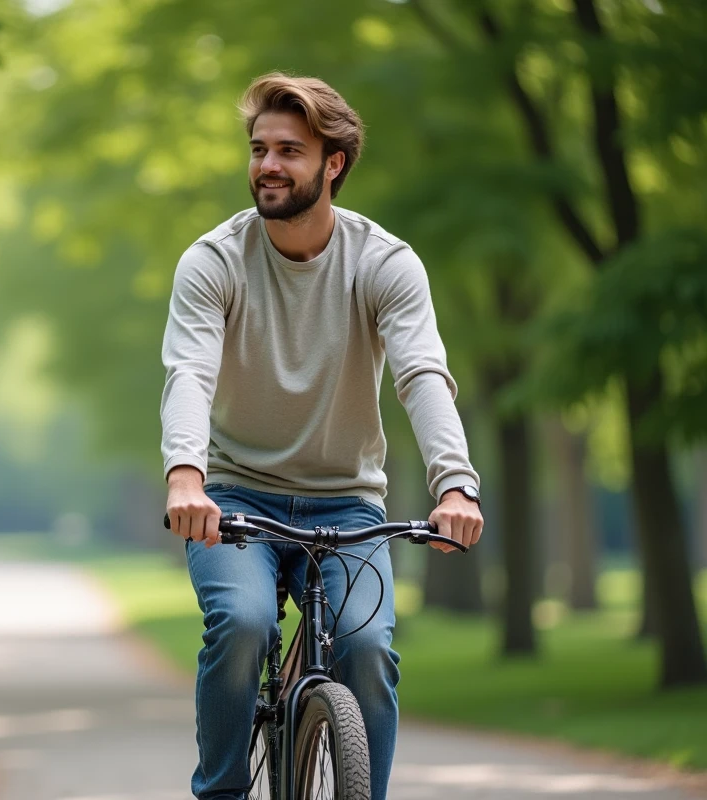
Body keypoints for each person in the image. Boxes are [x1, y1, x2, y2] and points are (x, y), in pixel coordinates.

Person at [161, 72, 484, 800]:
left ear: (332, 163)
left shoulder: (384, 263)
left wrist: (455, 484)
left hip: (348, 503)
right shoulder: (213, 262)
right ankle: (222, 793)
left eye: (289, 151)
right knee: (242, 627)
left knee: (367, 650)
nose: (267, 165)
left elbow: (422, 376)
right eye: (258, 149)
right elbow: (189, 373)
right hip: (235, 500)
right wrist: (185, 475)